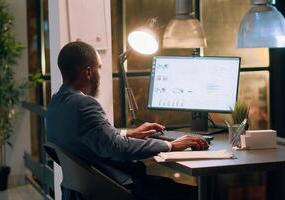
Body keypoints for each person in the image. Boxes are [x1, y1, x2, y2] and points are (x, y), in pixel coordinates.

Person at [46, 41, 209, 200]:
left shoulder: (56, 104)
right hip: (118, 190)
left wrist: (129, 133)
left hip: (89, 191)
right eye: (99, 68)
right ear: (89, 72)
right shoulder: (83, 104)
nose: (100, 74)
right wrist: (172, 145)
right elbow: (119, 148)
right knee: (200, 195)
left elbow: (92, 135)